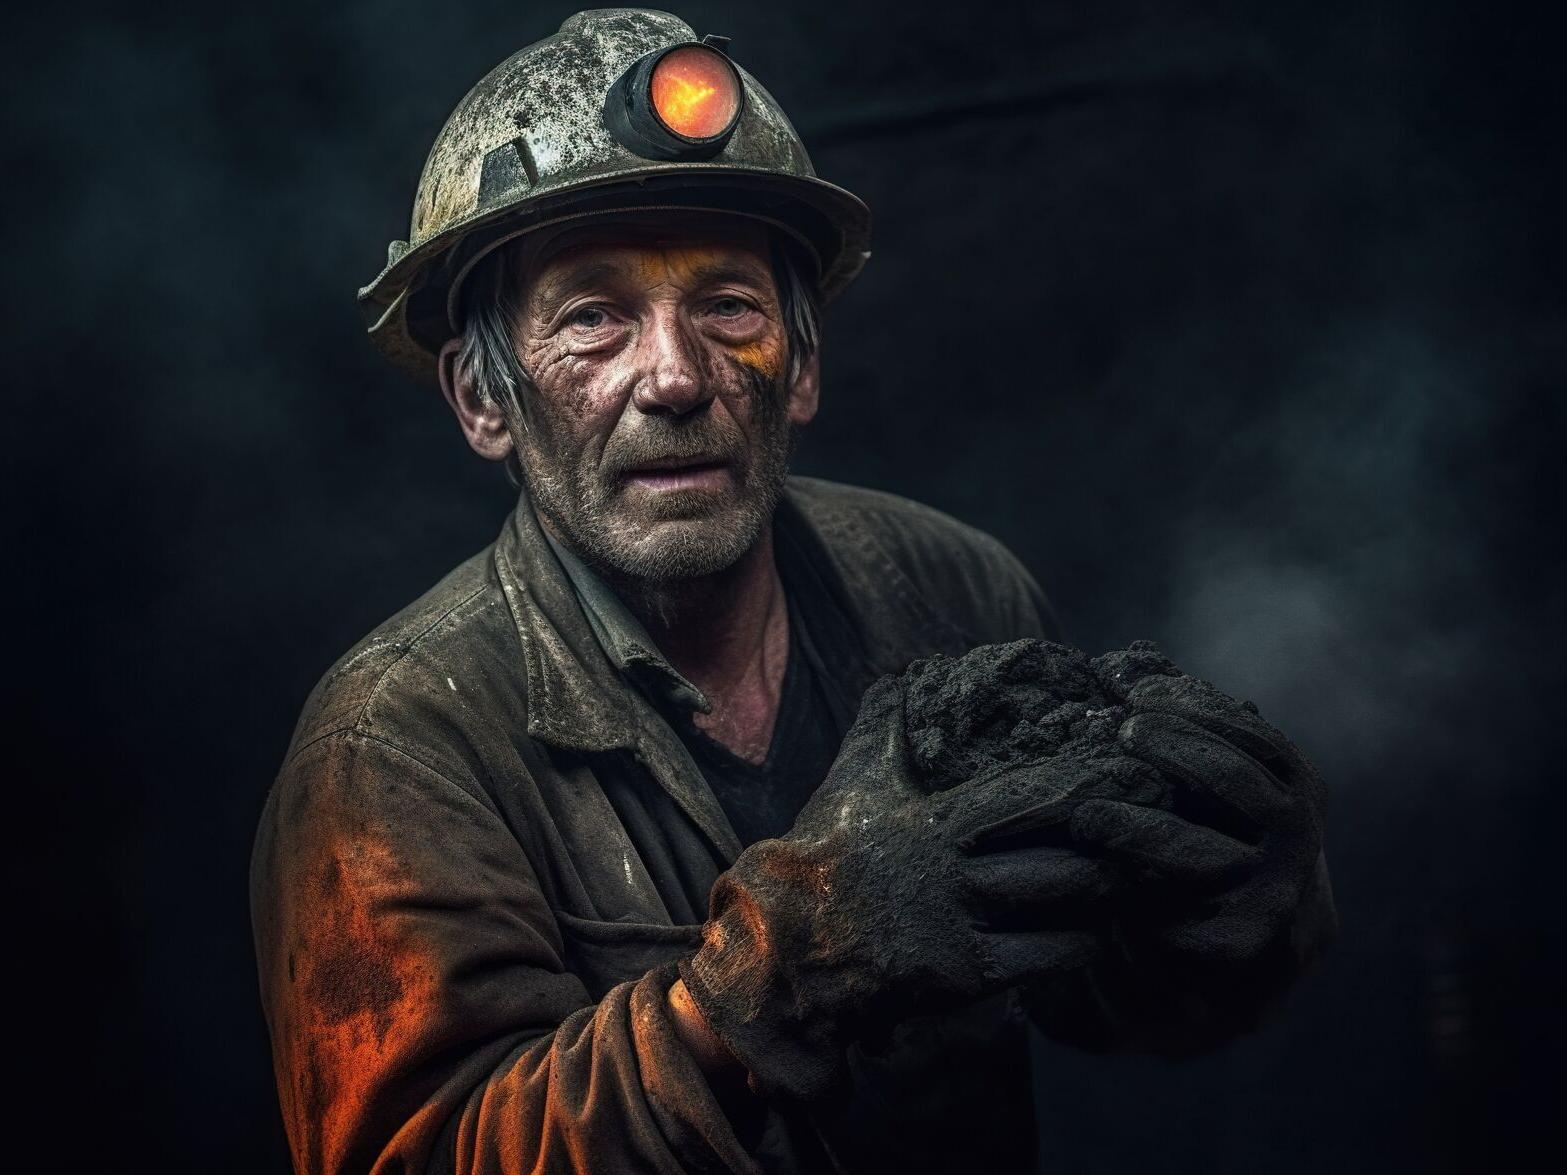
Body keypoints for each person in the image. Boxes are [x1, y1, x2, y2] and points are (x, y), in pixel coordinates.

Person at [250, 10, 1336, 1173]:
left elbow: (1110, 1002)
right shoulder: (394, 746)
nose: (673, 376)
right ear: (483, 399)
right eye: (592, 319)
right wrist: (799, 966)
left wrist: (1221, 903)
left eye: (728, 303)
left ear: (802, 364)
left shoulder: (949, 586)